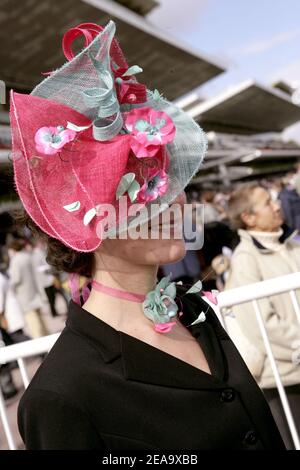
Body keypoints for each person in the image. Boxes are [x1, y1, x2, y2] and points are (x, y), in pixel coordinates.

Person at [11, 21, 284, 450]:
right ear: (87, 222)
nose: (170, 204)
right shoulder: (61, 394)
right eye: (140, 192)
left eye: (168, 185)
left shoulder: (195, 314)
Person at [225, 183, 300, 449]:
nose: (278, 205)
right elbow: (260, 324)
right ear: (249, 217)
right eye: (268, 202)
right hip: (285, 381)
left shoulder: (291, 246)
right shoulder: (246, 259)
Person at [7, 239, 49, 338]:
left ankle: (40, 344)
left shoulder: (15, 260)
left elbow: (15, 279)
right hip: (34, 291)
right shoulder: (27, 256)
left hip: (24, 295)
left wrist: (11, 288)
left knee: (33, 322)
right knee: (40, 319)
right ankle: (46, 337)